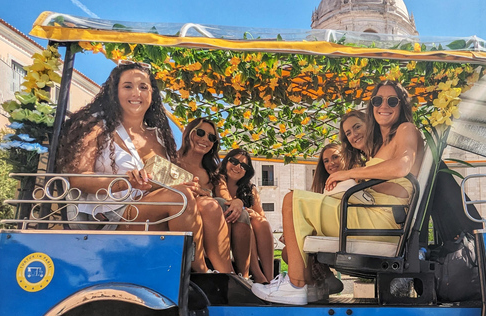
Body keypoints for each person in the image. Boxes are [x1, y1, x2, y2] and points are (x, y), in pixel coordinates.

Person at [252, 80, 424, 304]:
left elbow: (402, 168)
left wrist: (350, 175)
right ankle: (307, 286)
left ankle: (296, 285)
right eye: (377, 100)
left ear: (402, 105)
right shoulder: (385, 142)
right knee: (296, 210)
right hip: (378, 216)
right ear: (371, 107)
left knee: (292, 200)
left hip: (382, 220)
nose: (384, 105)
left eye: (392, 100)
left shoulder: (405, 129)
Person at [57, 62, 210, 272]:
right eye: (128, 86)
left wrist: (186, 184)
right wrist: (126, 182)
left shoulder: (158, 135)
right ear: (114, 91)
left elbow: (161, 184)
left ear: (152, 94)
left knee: (210, 206)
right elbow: (79, 179)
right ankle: (200, 274)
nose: (136, 92)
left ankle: (229, 278)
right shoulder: (95, 127)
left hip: (146, 208)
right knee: (180, 197)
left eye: (143, 87)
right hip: (109, 217)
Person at [177, 118, 233, 273]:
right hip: (180, 217)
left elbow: (226, 197)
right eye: (200, 132)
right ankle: (227, 274)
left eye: (211, 137)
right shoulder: (171, 161)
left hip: (214, 219)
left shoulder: (213, 171)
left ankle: (247, 275)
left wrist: (238, 202)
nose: (205, 139)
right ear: (188, 133)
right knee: (211, 205)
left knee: (238, 213)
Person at [216, 148, 275, 283]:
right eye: (234, 161)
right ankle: (257, 275)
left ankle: (270, 278)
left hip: (244, 224)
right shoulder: (219, 180)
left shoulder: (250, 189)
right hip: (225, 227)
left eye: (244, 166)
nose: (238, 167)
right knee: (246, 220)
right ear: (226, 161)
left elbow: (260, 214)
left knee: (262, 222)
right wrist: (242, 206)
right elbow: (226, 202)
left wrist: (254, 213)